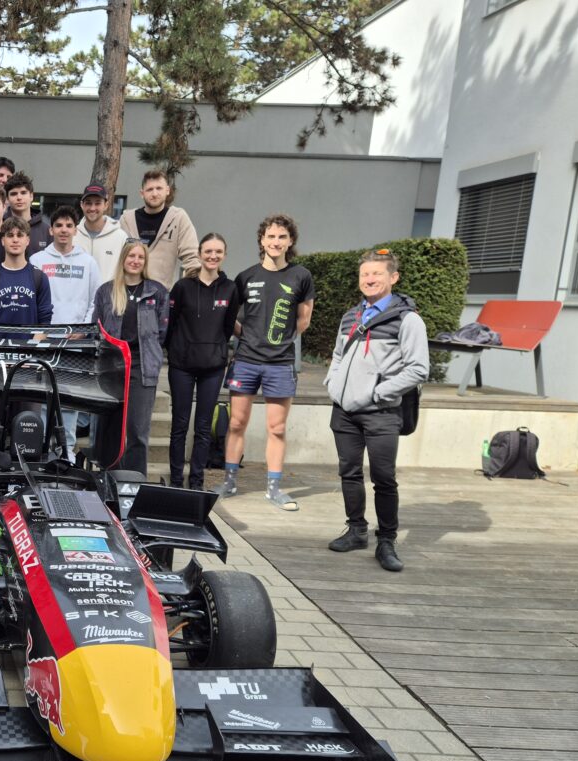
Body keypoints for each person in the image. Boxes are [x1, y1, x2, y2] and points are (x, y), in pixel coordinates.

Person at [324, 248, 428, 572]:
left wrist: (377, 393)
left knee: (384, 478)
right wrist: (333, 383)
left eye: (377, 274)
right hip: (344, 411)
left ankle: (387, 541)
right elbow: (338, 355)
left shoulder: (407, 319)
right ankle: (356, 530)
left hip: (381, 413)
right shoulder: (350, 316)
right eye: (364, 274)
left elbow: (418, 369)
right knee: (349, 472)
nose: (369, 279)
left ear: (393, 277)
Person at [217, 213, 315, 510]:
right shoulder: (246, 277)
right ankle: (229, 482)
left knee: (277, 428)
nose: (276, 241)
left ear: (290, 241)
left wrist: (279, 342)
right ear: (262, 240)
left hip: (280, 363)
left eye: (282, 236)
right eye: (270, 236)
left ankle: (273, 488)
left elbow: (304, 320)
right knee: (236, 423)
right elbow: (231, 317)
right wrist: (247, 335)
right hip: (246, 360)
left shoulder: (301, 276)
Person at [0, 217, 53, 458]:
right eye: (10, 235)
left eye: (20, 235)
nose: (15, 240)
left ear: (28, 240)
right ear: (3, 240)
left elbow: (45, 323)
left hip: (29, 364)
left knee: (28, 423)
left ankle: (25, 469)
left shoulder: (39, 278)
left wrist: (29, 353)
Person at [166, 233, 239, 489]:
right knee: (179, 424)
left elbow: (228, 327)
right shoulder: (182, 287)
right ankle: (176, 481)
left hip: (213, 367)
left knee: (204, 427)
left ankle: (196, 482)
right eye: (208, 251)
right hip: (182, 365)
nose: (212, 256)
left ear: (224, 255)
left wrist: (215, 350)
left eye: (218, 252)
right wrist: (177, 350)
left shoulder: (230, 289)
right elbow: (170, 324)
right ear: (199, 254)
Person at [92, 241, 170, 476]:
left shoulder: (157, 292)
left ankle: (135, 481)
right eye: (131, 256)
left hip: (142, 365)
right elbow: (97, 328)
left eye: (140, 257)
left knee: (137, 429)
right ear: (123, 259)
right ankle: (108, 478)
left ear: (145, 262)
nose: (135, 261)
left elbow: (162, 332)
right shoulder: (106, 291)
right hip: (112, 366)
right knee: (111, 428)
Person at [30, 205, 100, 460]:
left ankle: (66, 451)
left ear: (75, 230)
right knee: (42, 398)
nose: (63, 230)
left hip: (75, 342)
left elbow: (95, 301)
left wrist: (82, 331)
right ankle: (41, 450)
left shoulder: (88, 262)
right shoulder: (37, 261)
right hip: (45, 341)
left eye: (69, 225)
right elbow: (32, 300)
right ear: (50, 230)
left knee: (68, 400)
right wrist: (39, 331)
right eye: (59, 225)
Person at [119, 170, 200, 287]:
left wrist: (194, 288)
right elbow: (117, 257)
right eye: (149, 189)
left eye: (159, 188)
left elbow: (192, 258)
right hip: (128, 291)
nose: (154, 193)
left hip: (162, 293)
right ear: (142, 193)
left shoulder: (178, 218)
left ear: (167, 190)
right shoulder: (127, 219)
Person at [74, 182, 130, 283]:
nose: (92, 208)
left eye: (97, 203)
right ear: (82, 205)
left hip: (109, 293)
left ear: (106, 205)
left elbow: (127, 273)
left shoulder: (120, 237)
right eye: (88, 203)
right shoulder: (73, 235)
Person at [3, 171, 51, 255]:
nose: (19, 197)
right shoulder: (1, 226)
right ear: (7, 199)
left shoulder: (46, 230)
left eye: (23, 193)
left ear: (31, 196)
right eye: (14, 194)